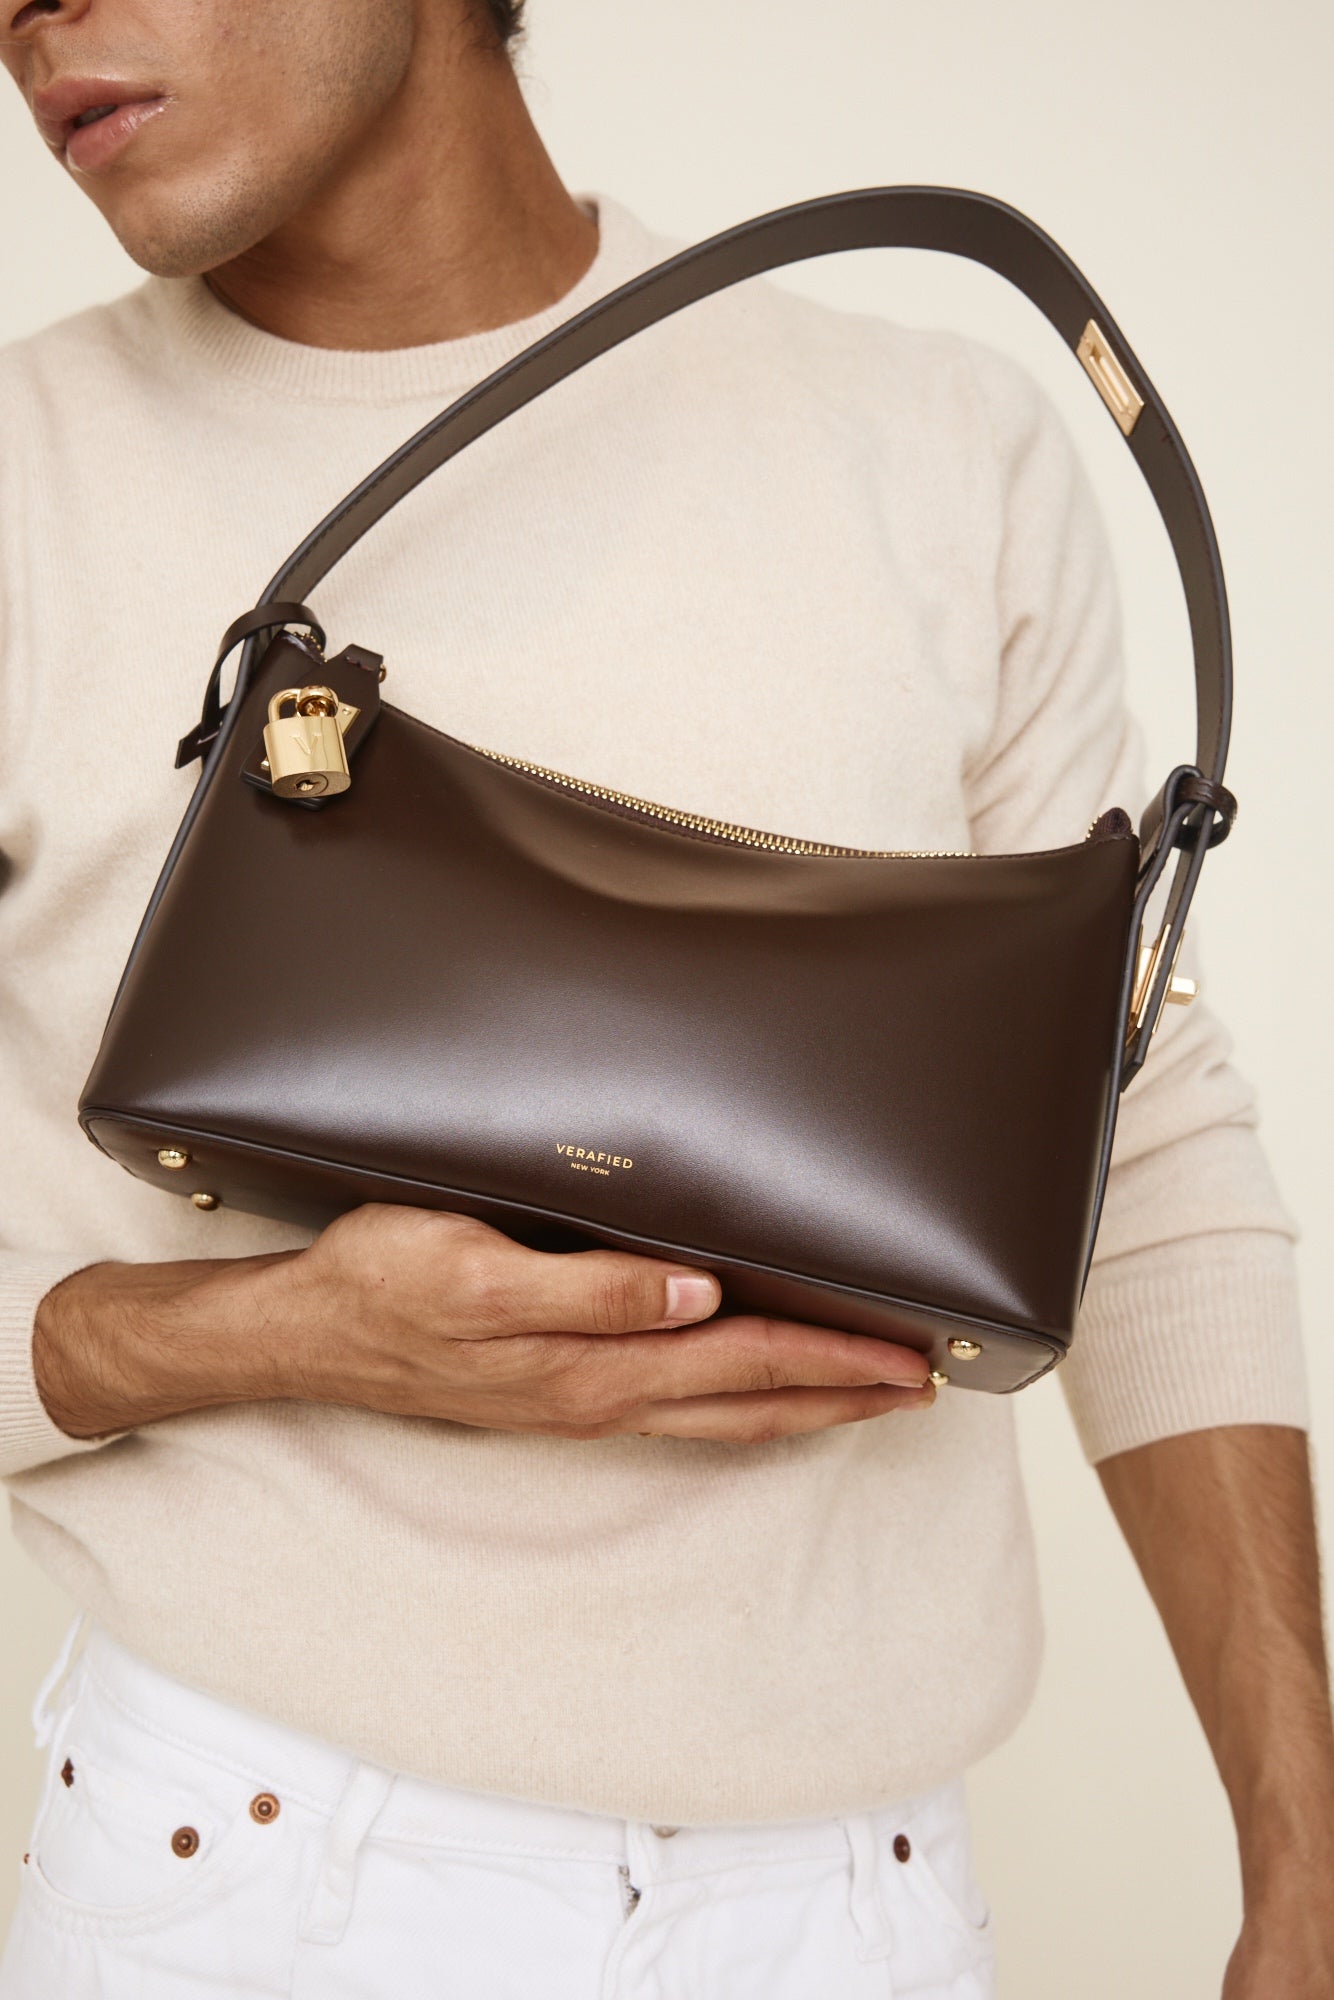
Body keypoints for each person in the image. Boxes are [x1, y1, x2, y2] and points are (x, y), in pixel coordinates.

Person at [0, 2, 1328, 1994]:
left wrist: (1296, 1860)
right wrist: (270, 1331)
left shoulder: (934, 442)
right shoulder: (30, 481)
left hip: (866, 1904)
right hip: (250, 1874)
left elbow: (1135, 1135)